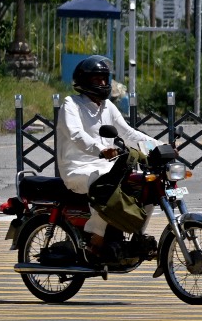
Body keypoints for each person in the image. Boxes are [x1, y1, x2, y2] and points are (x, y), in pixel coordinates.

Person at [57, 55, 157, 261]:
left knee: (147, 185)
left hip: (106, 166)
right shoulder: (71, 105)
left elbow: (129, 134)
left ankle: (136, 234)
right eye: (97, 79)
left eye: (105, 78)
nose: (103, 83)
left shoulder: (107, 106)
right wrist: (101, 150)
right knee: (104, 183)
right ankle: (96, 240)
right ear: (84, 81)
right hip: (77, 169)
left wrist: (159, 148)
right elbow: (76, 135)